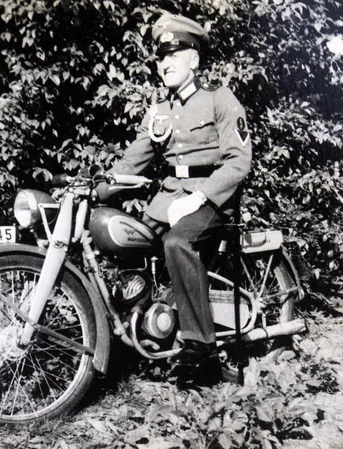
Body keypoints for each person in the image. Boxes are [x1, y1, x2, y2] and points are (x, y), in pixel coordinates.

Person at [95, 12, 252, 370]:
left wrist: (199, 198)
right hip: (168, 198)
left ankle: (201, 348)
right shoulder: (159, 111)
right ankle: (147, 329)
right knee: (126, 243)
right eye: (161, 56)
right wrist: (95, 190)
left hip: (212, 198)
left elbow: (238, 162)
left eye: (174, 54)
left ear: (194, 60)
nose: (165, 63)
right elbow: (132, 163)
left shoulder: (219, 98)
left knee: (176, 243)